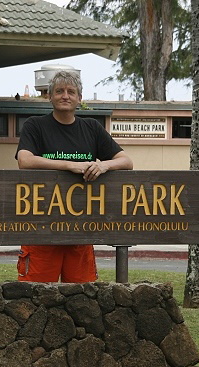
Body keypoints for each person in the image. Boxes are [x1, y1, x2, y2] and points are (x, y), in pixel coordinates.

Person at [15, 70, 133, 283]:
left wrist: (103, 166)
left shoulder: (92, 128)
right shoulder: (35, 125)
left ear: (79, 98)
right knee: (35, 296)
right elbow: (25, 160)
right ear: (49, 96)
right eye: (59, 91)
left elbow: (126, 161)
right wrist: (69, 165)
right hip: (40, 227)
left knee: (83, 297)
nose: (65, 96)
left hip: (82, 228)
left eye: (71, 91)